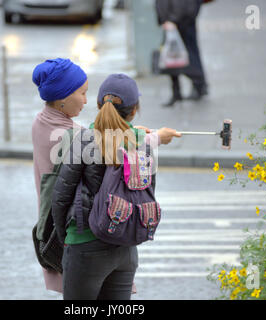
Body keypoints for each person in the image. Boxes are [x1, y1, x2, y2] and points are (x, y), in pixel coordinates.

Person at [51, 73, 181, 300]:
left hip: (85, 245)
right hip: (124, 248)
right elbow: (146, 194)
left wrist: (67, 241)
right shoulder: (141, 142)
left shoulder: (85, 139)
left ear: (100, 105)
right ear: (134, 110)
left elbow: (60, 197)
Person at [31, 58, 88, 293]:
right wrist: (152, 138)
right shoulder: (72, 135)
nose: (86, 100)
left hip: (52, 227)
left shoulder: (40, 122)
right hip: (73, 233)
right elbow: (109, 147)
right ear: (63, 98)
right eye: (82, 93)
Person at [155, 0, 208, 106]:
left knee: (189, 55)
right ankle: (178, 92)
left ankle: (199, 85)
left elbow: (183, 4)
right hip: (174, 21)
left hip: (180, 22)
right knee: (173, 57)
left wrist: (173, 20)